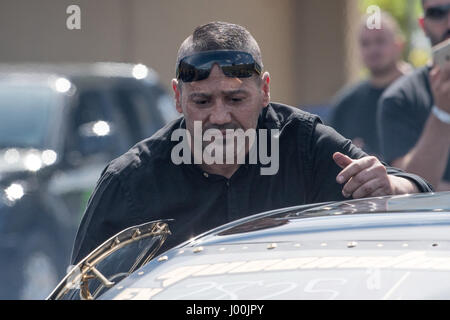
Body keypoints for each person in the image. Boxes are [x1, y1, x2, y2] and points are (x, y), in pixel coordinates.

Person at [71, 21, 432, 265]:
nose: (219, 116)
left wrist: (391, 185)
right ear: (178, 99)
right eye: (202, 101)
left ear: (265, 92)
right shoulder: (131, 183)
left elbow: (413, 194)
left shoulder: (303, 146)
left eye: (236, 99)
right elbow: (82, 287)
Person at [378, 0, 450, 191]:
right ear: (423, 25)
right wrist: (442, 113)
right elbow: (409, 190)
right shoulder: (400, 98)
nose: (449, 23)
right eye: (437, 13)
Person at [329, 12, 411, 157]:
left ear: (398, 45)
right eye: (365, 43)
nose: (373, 49)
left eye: (380, 41)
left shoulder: (425, 92)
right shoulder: (345, 103)